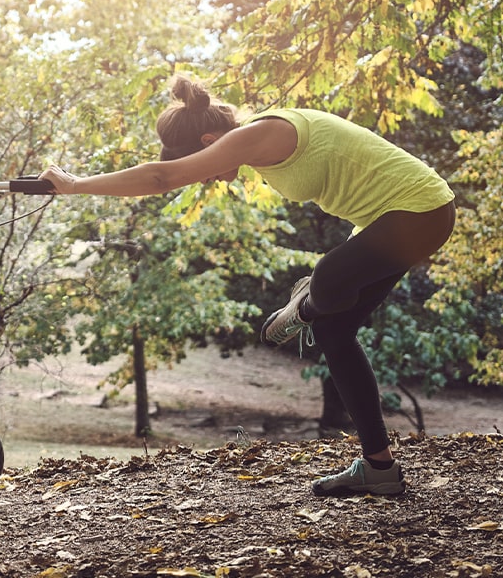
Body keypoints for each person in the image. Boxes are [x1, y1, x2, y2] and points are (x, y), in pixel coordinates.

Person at [40, 75, 455, 497]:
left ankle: (301, 308)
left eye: (202, 169)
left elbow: (161, 179)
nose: (206, 180)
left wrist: (75, 185)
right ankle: (379, 467)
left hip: (420, 211)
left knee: (328, 279)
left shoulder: (263, 132)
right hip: (389, 220)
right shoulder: (260, 143)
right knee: (335, 331)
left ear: (209, 140)